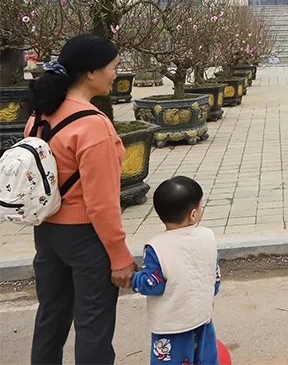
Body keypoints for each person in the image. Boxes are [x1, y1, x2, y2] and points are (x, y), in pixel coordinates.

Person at [22, 34, 135, 365]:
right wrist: (119, 255)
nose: (116, 74)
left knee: (50, 319)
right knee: (93, 328)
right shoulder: (92, 125)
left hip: (47, 233)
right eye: (113, 67)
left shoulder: (40, 116)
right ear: (90, 72)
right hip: (86, 237)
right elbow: (102, 203)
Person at [131, 176, 220, 365]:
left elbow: (152, 285)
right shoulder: (207, 236)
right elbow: (215, 276)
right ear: (193, 214)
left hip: (172, 326)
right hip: (202, 317)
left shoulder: (157, 248)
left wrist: (133, 278)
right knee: (205, 359)